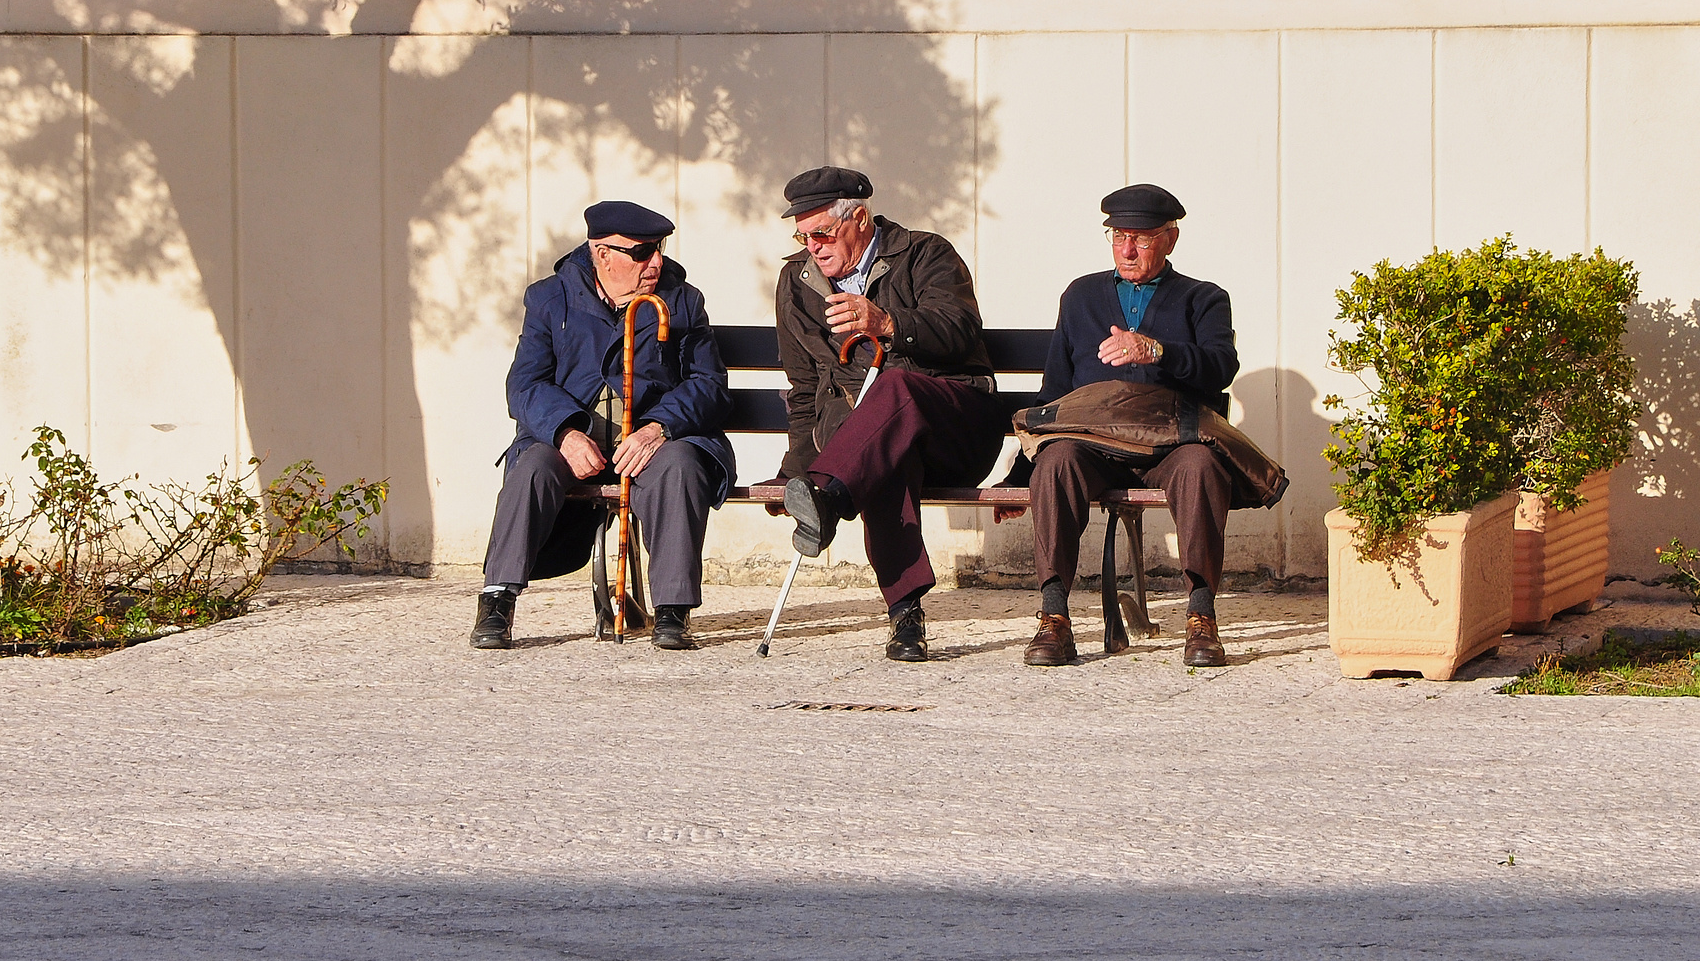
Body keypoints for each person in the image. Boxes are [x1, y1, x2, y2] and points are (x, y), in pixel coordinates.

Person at [474, 201, 735, 652]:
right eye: (642, 252)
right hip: (573, 441)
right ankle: (497, 599)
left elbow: (709, 384)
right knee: (532, 466)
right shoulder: (550, 299)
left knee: (680, 465)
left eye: (659, 248)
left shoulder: (681, 300)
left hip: (651, 443)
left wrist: (658, 428)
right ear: (602, 254)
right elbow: (525, 384)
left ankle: (672, 610)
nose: (656, 262)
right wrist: (565, 433)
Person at [771, 167, 1003, 662]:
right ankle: (905, 616)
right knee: (881, 451)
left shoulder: (925, 253)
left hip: (956, 424)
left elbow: (961, 328)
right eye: (803, 236)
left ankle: (830, 496)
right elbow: (805, 387)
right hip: (872, 442)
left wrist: (890, 323)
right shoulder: (796, 282)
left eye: (822, 233)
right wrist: (796, 469)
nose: (812, 247)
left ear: (859, 218)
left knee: (892, 391)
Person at [1007, 184, 1240, 669]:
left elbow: (1220, 367)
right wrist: (1018, 475)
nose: (1127, 250)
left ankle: (1201, 615)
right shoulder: (1081, 295)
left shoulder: (1204, 298)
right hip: (1092, 443)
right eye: (1118, 237)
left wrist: (1159, 351)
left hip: (1169, 444)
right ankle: (1054, 616)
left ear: (1170, 239)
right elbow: (1055, 393)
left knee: (1200, 465)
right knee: (1056, 460)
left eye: (1142, 238)